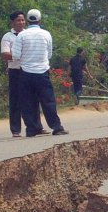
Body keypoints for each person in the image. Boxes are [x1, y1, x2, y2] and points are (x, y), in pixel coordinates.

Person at [12, 8, 68, 137]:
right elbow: (49, 54)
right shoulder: (46, 34)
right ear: (39, 20)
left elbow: (15, 55)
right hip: (42, 72)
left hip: (26, 73)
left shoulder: (21, 35)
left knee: (28, 102)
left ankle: (32, 129)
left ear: (27, 20)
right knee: (48, 101)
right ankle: (56, 127)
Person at [1, 10, 40, 138]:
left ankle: (37, 126)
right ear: (12, 22)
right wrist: (19, 56)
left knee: (33, 99)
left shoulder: (28, 35)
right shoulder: (8, 37)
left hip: (29, 70)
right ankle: (16, 129)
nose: (21, 22)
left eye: (23, 20)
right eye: (18, 20)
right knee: (16, 101)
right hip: (15, 71)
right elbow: (5, 55)